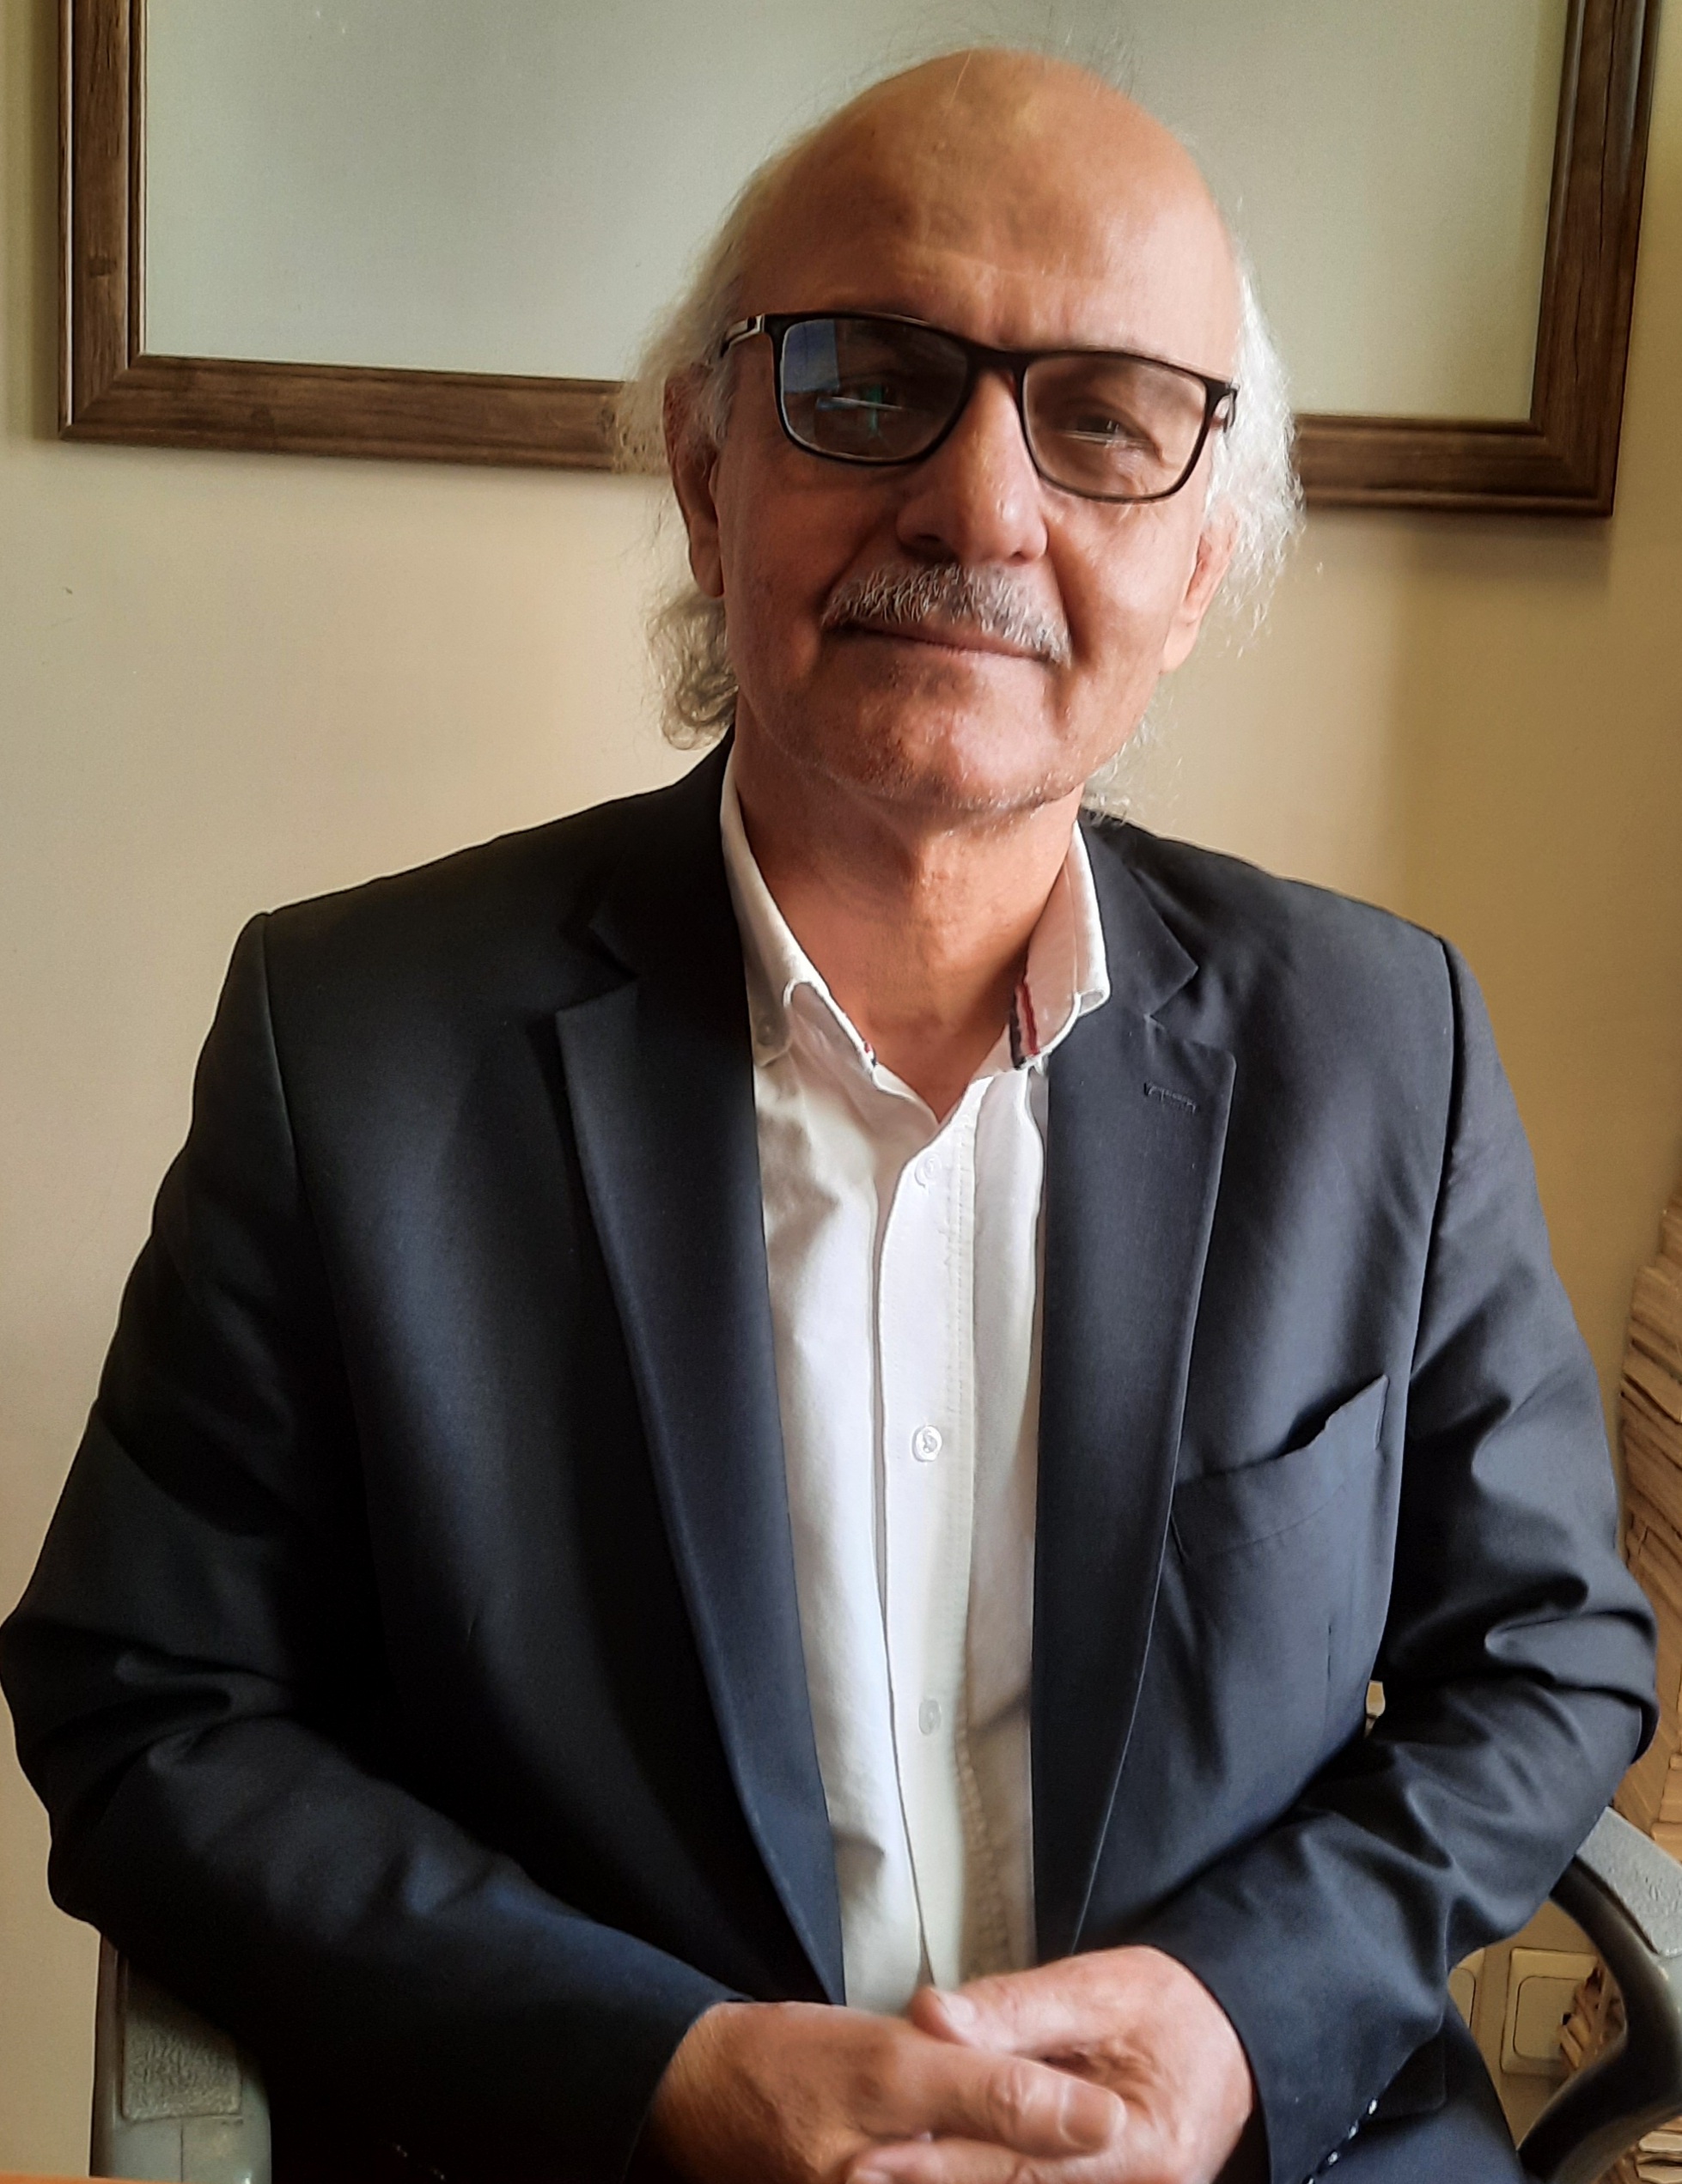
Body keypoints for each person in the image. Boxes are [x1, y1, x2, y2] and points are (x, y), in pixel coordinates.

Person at [1, 48, 1657, 2184]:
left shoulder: (1380, 1047)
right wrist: (655, 2068)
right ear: (707, 476)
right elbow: (151, 1702)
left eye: (1101, 421)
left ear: (1200, 562)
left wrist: (1236, 2015)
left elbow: (1543, 1656)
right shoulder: (357, 1048)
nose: (979, 509)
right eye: (869, 383)